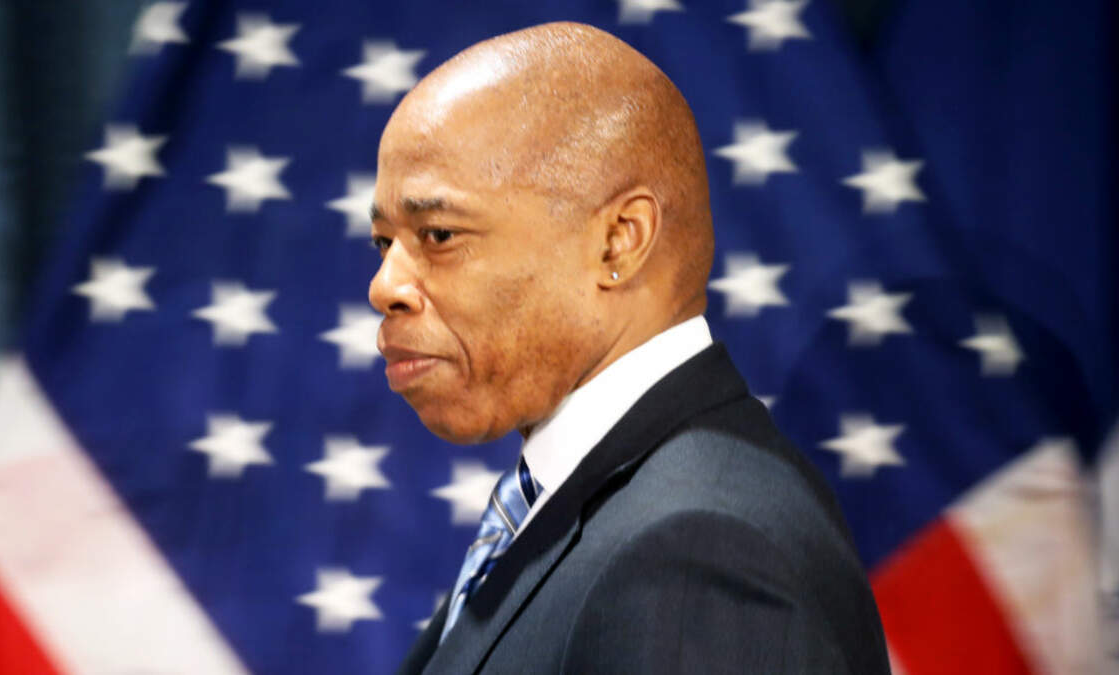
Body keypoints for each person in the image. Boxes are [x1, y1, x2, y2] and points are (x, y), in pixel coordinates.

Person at [368, 21, 891, 674]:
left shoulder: (699, 555)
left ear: (618, 240)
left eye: (439, 234)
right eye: (383, 243)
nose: (383, 286)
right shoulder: (607, 510)